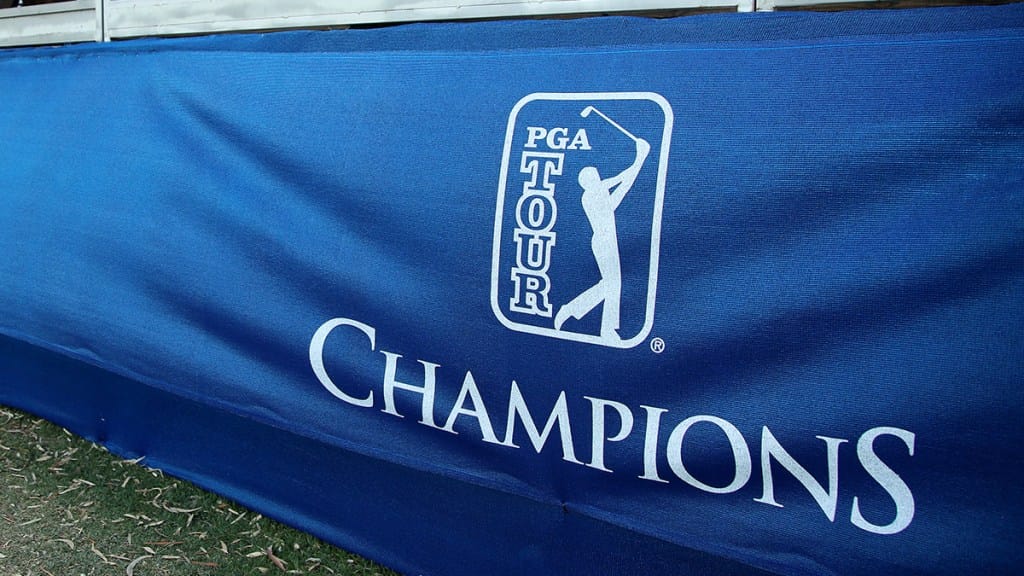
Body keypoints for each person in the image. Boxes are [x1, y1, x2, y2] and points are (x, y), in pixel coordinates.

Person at [554, 137, 650, 341]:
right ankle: (593, 322)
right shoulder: (591, 195)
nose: (598, 176)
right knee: (612, 284)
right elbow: (621, 178)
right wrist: (640, 156)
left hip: (608, 241)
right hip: (603, 242)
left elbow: (625, 186)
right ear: (588, 181)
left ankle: (580, 314)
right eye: (594, 176)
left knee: (611, 284)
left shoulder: (601, 197)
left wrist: (640, 159)